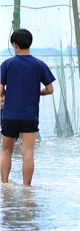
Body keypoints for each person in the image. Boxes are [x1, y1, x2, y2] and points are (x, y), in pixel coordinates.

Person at [0, 29, 55, 186]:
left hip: (9, 115)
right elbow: (50, 89)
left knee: (6, 151)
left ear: (15, 45)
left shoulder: (7, 64)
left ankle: (4, 185)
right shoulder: (39, 64)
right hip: (30, 115)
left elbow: (0, 89)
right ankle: (26, 188)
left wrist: (5, 94)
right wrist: (37, 92)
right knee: (28, 152)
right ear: (29, 43)